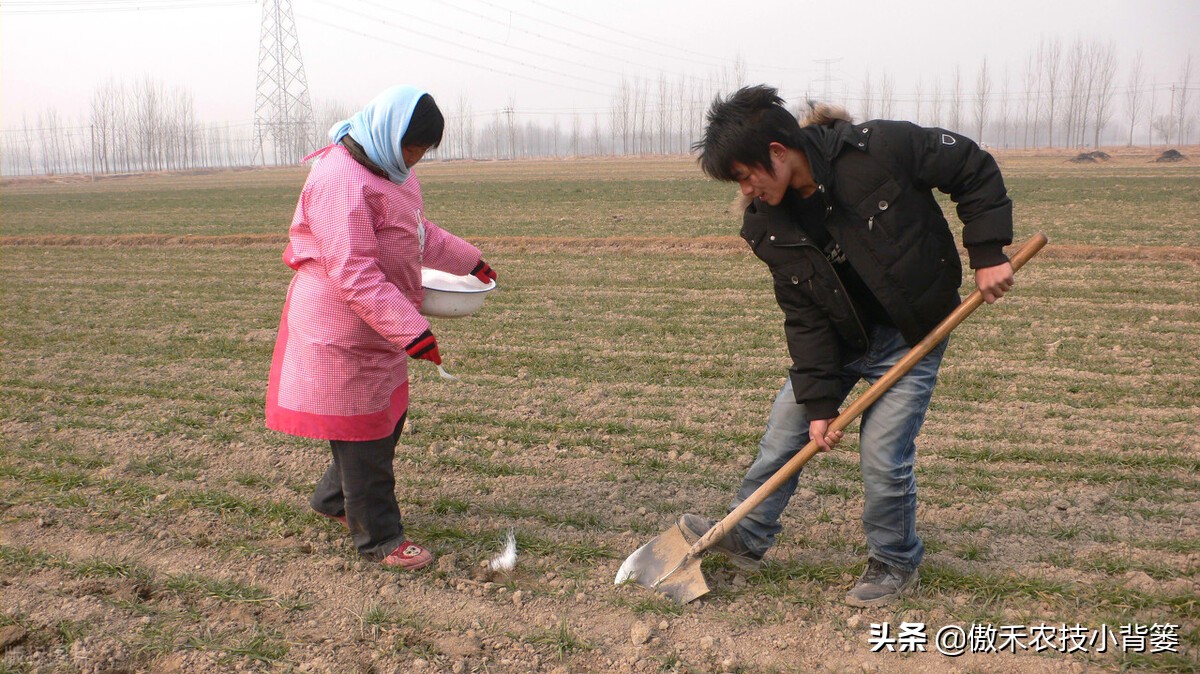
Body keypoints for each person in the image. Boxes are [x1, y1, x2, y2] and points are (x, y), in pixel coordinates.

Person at [682, 85, 1014, 607]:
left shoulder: (877, 149)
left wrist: (988, 250)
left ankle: (895, 560)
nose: (745, 190)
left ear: (776, 151)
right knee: (784, 434)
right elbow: (804, 316)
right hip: (839, 341)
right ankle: (746, 534)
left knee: (883, 456)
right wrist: (819, 404)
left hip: (912, 335)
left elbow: (970, 165)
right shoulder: (768, 225)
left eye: (746, 175)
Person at [265, 85, 497, 570]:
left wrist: (468, 260)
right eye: (414, 147)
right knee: (366, 432)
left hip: (377, 323)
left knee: (381, 423)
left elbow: (418, 233)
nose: (416, 158)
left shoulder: (393, 173)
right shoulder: (339, 179)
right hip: (341, 328)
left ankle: (334, 498)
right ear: (391, 134)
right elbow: (354, 272)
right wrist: (411, 329)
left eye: (424, 151)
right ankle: (380, 539)